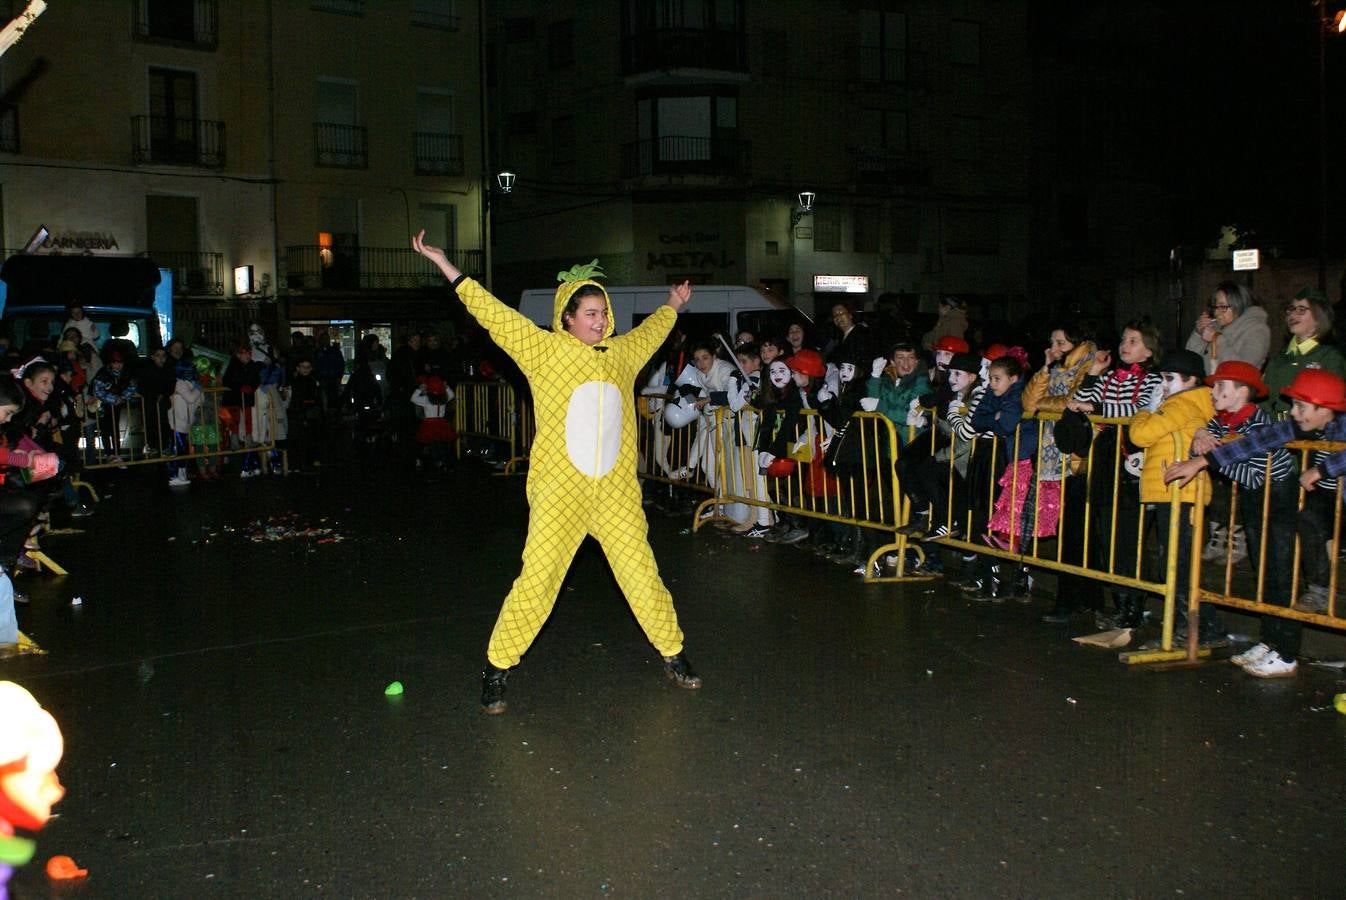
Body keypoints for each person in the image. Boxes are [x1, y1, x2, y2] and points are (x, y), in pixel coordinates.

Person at [412, 230, 700, 715]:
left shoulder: (623, 355)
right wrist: (447, 267)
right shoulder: (542, 350)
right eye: (590, 313)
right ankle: (496, 668)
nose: (600, 320)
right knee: (538, 581)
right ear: (567, 318)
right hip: (559, 495)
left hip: (615, 495)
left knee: (642, 574)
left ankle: (674, 653)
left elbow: (652, 332)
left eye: (603, 312)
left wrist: (672, 304)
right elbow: (493, 315)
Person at [1185, 361, 1296, 673]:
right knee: (1263, 570)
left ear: (1243, 392)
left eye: (1222, 386)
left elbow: (1254, 476)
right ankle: (1270, 640)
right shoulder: (1224, 421)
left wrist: (1212, 459)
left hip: (1277, 497)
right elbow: (1203, 448)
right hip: (1256, 501)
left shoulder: (1257, 424)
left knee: (1278, 572)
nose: (1214, 391)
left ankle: (1287, 652)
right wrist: (1201, 435)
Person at [1066, 320, 1164, 628]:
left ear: (1149, 349)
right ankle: (1121, 602)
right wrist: (1094, 371)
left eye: (1133, 341)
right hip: (1108, 454)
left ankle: (1134, 604)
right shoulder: (1111, 376)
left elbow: (1140, 411)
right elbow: (1086, 395)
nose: (1125, 345)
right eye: (1124, 339)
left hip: (1133, 455)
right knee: (1109, 531)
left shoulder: (1152, 379)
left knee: (1129, 536)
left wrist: (1095, 409)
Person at [1129, 349, 1221, 643]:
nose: (1164, 386)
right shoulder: (1193, 403)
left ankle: (1191, 630)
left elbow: (1141, 436)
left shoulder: (1180, 404)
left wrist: (1145, 410)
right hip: (1178, 492)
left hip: (1181, 494)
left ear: (1191, 379)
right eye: (1162, 379)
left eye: (1169, 378)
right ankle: (1202, 627)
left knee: (1179, 567)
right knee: (1179, 566)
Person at [1023, 324, 1098, 623]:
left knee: (1078, 534)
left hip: (1076, 460)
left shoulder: (1089, 365)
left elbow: (1072, 401)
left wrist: (1049, 404)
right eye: (1051, 341)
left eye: (1061, 342)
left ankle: (1077, 599)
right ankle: (1074, 598)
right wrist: (1045, 368)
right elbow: (1029, 403)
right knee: (1071, 534)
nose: (1054, 347)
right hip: (1055, 459)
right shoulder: (1055, 368)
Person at [1261, 287, 1346, 418]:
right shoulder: (1279, 359)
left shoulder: (1331, 358)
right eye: (1290, 309)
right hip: (1277, 431)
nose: (1292, 315)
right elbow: (1264, 402)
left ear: (1319, 316)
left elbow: (1334, 407)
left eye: (1301, 310)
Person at [1185, 281, 1270, 374]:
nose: (1216, 312)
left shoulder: (1257, 330)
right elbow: (1189, 362)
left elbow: (1244, 369)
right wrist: (1198, 334)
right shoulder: (1216, 326)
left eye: (1223, 307)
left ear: (1239, 305)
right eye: (1215, 307)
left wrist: (1216, 339)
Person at [409, 375, 455, 470]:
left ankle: (435, 461)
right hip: (441, 423)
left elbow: (413, 399)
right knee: (441, 443)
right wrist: (447, 387)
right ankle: (443, 461)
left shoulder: (426, 399)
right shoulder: (444, 398)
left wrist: (420, 389)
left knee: (432, 444)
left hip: (429, 424)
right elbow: (452, 395)